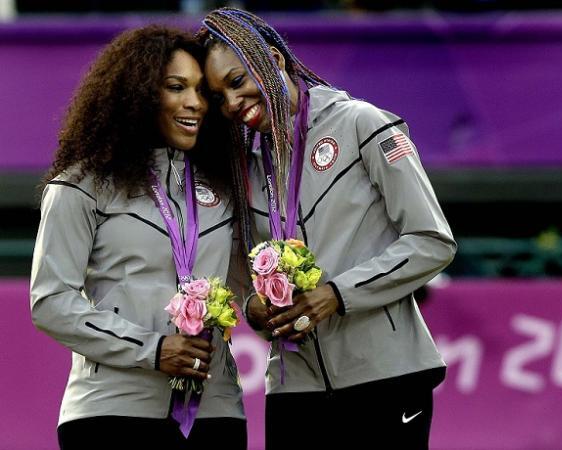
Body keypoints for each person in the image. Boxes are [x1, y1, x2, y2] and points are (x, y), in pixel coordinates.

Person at [199, 8, 457, 450]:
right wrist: (255, 308)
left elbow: (432, 242)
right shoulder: (245, 167)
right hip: (294, 387)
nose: (233, 103)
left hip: (385, 374)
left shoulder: (361, 123)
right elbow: (244, 272)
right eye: (219, 97)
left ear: (274, 60)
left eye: (237, 81)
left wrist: (336, 295)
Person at [30, 26, 248, 449]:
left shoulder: (225, 185)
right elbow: (51, 302)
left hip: (215, 411)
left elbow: (243, 284)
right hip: (112, 412)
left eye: (202, 91)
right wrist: (152, 350)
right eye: (176, 87)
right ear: (138, 94)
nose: (195, 103)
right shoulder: (81, 185)